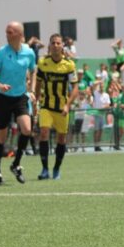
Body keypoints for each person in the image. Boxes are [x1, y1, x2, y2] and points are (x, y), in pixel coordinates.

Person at [0, 22, 36, 185]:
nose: (7, 35)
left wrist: (32, 91)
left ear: (20, 35)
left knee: (27, 129)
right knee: (1, 136)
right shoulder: (1, 53)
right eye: (6, 32)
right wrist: (0, 86)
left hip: (20, 97)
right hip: (3, 98)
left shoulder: (29, 53)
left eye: (11, 32)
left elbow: (33, 71)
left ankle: (16, 164)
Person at [34, 33, 79, 180]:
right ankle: (44, 169)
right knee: (44, 133)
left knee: (61, 139)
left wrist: (67, 105)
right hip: (46, 105)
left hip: (62, 108)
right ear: (49, 46)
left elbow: (75, 88)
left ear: (62, 46)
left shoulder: (69, 65)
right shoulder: (43, 62)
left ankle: (56, 169)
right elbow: (39, 82)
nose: (55, 45)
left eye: (58, 43)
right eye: (53, 43)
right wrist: (35, 100)